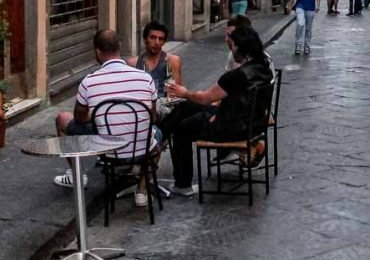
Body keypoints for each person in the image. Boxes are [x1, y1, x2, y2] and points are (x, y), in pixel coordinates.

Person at [165, 27, 274, 195]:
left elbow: (205, 98)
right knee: (185, 107)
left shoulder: (236, 76)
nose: (231, 48)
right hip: (251, 121)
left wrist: (184, 92)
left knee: (182, 129)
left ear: (241, 47)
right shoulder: (264, 67)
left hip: (231, 127)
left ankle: (182, 184)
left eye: (233, 45)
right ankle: (159, 134)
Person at [53, 29, 158, 204]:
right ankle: (141, 190)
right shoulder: (145, 78)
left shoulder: (89, 81)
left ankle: (77, 175)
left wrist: (99, 116)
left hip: (107, 150)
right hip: (142, 149)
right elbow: (152, 117)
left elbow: (79, 118)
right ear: (120, 47)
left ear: (97, 52)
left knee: (62, 118)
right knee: (157, 134)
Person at [127, 20, 183, 97]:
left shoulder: (172, 61)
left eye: (160, 39)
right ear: (145, 39)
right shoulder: (133, 63)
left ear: (164, 42)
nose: (156, 42)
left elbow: (176, 94)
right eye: (153, 38)